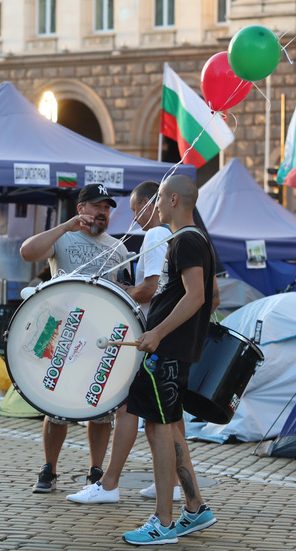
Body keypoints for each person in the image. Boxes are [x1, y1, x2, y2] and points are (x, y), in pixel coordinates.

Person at [65, 180, 183, 505]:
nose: (134, 217)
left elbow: (152, 288)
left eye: (134, 209)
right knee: (169, 415)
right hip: (162, 335)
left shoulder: (157, 235)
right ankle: (172, 483)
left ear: (150, 203)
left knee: (129, 408)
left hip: (148, 334)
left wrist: (115, 291)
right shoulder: (174, 236)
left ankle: (109, 483)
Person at [122, 174, 220, 545]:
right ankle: (195, 509)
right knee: (168, 427)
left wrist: (160, 333)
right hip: (173, 351)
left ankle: (162, 523)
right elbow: (209, 297)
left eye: (160, 199)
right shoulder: (195, 240)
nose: (156, 206)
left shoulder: (186, 241)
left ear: (175, 199)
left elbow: (196, 296)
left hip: (167, 352)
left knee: (159, 430)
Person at [18, 183, 129, 493]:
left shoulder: (118, 248)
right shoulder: (63, 238)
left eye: (107, 207)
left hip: (100, 336)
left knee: (101, 404)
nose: (102, 212)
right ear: (81, 209)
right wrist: (66, 226)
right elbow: (27, 253)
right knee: (57, 404)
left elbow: (126, 296)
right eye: (96, 206)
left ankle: (95, 470)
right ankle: (49, 468)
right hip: (60, 333)